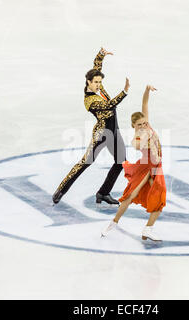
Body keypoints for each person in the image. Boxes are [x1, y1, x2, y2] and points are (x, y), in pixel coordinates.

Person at [52, 47, 130, 205]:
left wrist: (101, 55)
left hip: (114, 131)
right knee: (85, 162)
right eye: (96, 82)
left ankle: (103, 193)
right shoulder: (89, 100)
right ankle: (61, 189)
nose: (99, 85)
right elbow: (109, 105)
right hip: (102, 134)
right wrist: (124, 91)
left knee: (121, 163)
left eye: (100, 82)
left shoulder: (98, 86)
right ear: (88, 82)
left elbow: (96, 66)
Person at [101, 85, 166, 241]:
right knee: (130, 197)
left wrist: (146, 90)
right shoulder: (139, 136)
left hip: (156, 167)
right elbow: (135, 144)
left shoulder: (147, 125)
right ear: (134, 127)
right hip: (147, 168)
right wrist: (142, 142)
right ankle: (113, 223)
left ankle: (148, 229)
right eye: (139, 125)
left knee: (159, 199)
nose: (143, 126)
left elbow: (144, 105)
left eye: (144, 123)